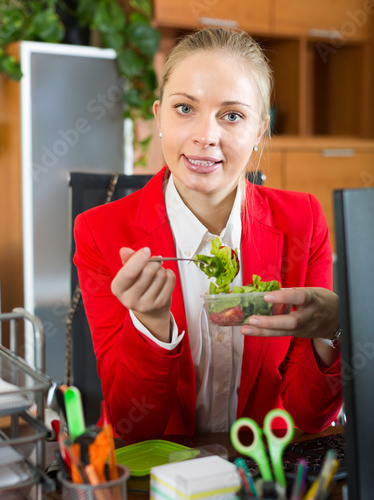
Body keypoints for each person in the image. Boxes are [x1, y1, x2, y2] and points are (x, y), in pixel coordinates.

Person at [74, 27, 343, 443]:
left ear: (259, 130)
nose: (206, 136)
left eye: (232, 116)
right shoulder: (101, 232)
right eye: (185, 109)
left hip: (262, 469)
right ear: (159, 115)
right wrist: (150, 325)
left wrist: (332, 331)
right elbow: (135, 426)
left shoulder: (303, 221)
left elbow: (310, 418)